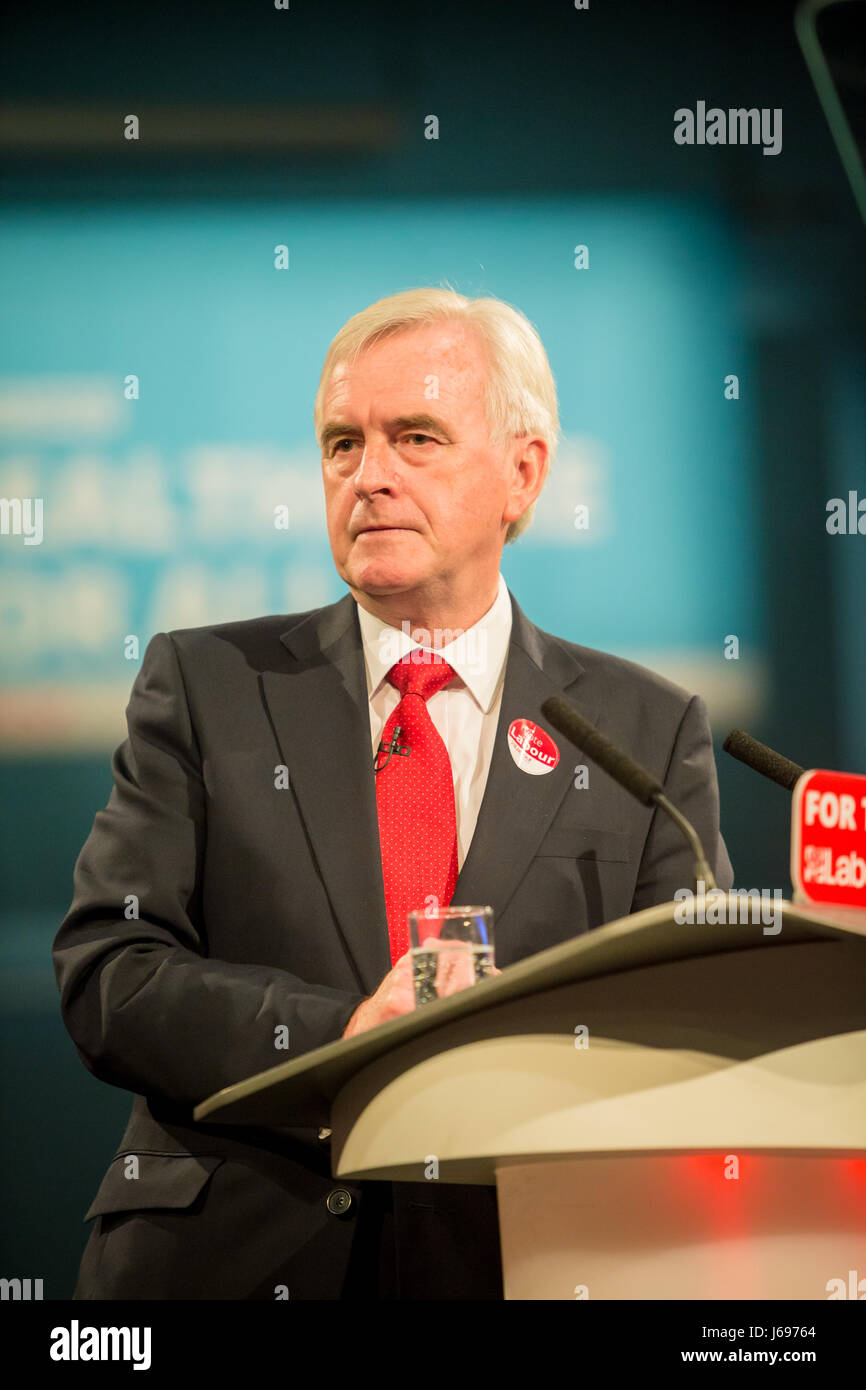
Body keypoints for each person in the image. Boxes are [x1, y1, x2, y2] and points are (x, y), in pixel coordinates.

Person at [53, 286, 733, 1300]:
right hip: (224, 1262)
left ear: (521, 472)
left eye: (414, 437)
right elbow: (110, 971)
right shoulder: (208, 686)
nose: (368, 477)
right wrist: (336, 1037)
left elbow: (692, 1018)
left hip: (519, 1261)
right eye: (340, 445)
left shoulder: (642, 730)